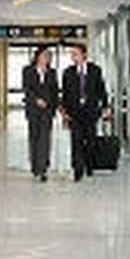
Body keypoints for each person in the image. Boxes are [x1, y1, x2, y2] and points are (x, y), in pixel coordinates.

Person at [60, 43, 111, 182]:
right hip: (74, 113)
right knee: (76, 141)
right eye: (72, 54)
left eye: (75, 54)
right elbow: (65, 94)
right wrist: (64, 112)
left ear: (84, 55)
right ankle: (77, 169)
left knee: (90, 140)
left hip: (91, 112)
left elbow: (101, 90)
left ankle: (89, 165)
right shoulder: (68, 72)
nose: (73, 57)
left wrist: (106, 107)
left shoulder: (95, 70)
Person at [22, 45, 59, 182]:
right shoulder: (28, 70)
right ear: (38, 56)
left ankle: (43, 168)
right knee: (34, 137)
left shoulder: (52, 72)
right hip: (33, 109)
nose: (47, 58)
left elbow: (55, 91)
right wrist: (36, 100)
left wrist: (55, 108)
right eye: (45, 55)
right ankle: (35, 166)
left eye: (49, 56)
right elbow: (26, 88)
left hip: (47, 110)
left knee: (45, 138)